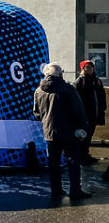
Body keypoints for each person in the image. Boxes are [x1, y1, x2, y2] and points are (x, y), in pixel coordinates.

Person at [34, 63, 92, 201]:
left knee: (53, 164)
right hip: (69, 133)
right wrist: (83, 127)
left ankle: (56, 190)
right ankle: (75, 191)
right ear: (60, 74)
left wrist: (47, 121)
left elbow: (36, 113)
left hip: (49, 133)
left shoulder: (38, 91)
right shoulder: (67, 89)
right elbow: (78, 111)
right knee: (73, 162)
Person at [75, 60, 105, 166]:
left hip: (95, 114)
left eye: (91, 67)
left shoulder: (97, 81)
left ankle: (85, 154)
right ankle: (81, 156)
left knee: (89, 135)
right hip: (84, 115)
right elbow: (75, 98)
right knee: (83, 136)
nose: (90, 69)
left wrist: (102, 109)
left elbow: (101, 96)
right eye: (87, 67)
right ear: (83, 69)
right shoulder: (80, 81)